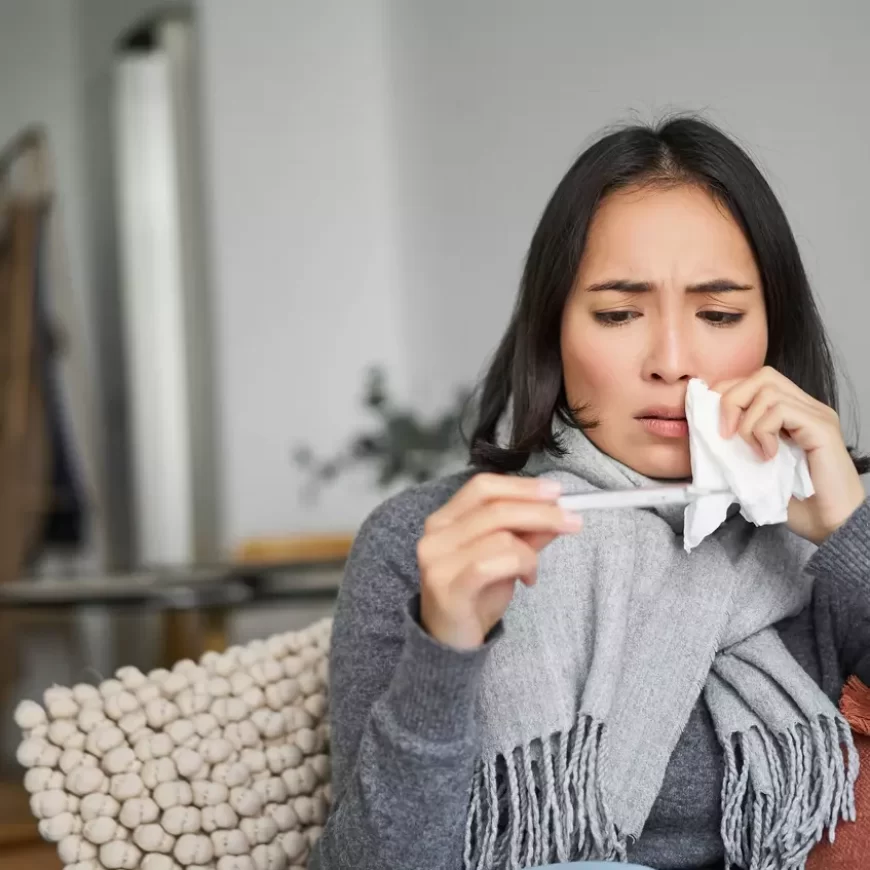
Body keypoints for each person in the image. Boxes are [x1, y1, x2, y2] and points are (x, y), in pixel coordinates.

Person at [308, 116, 870, 870]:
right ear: (554, 331)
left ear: (773, 331)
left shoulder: (827, 541)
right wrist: (444, 649)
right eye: (617, 314)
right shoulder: (428, 539)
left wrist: (849, 532)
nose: (671, 361)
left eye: (719, 314)